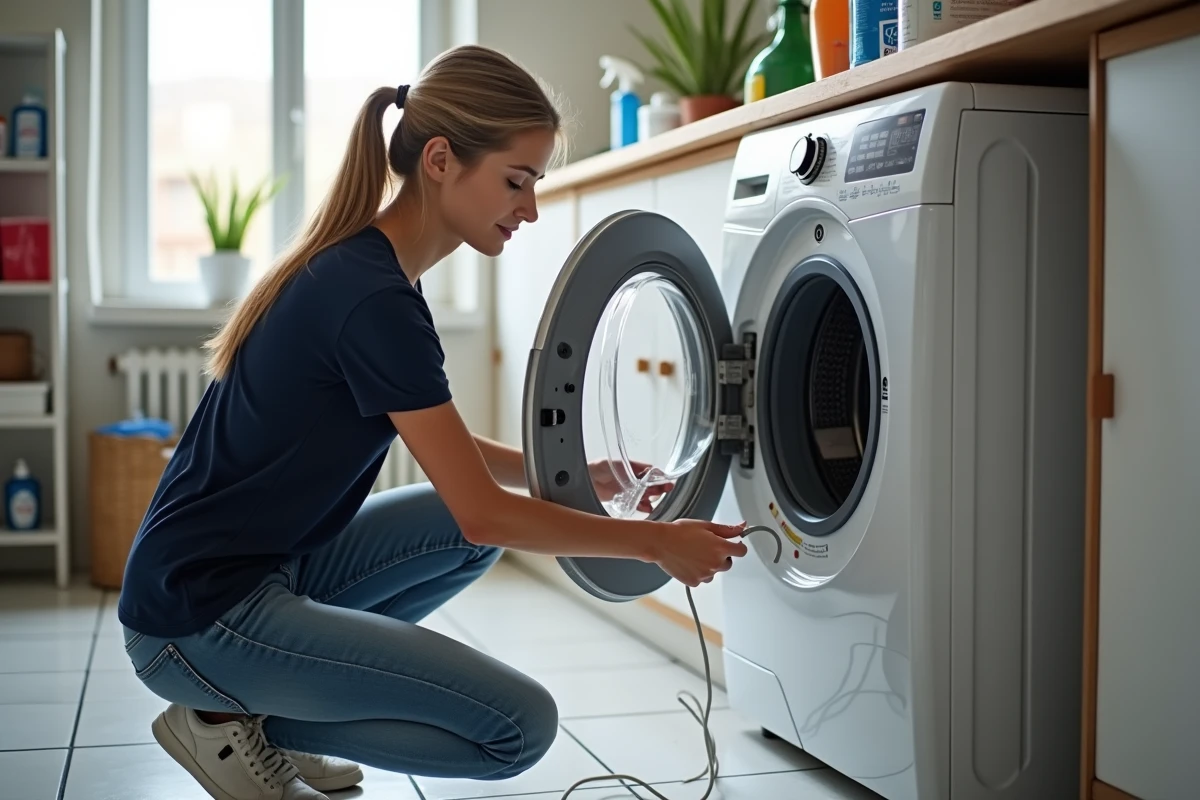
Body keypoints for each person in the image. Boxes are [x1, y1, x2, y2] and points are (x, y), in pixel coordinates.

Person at [117, 44, 748, 800]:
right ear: (442, 159)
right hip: (198, 618)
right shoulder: (372, 298)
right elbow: (484, 513)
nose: (531, 207)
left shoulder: (372, 273)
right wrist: (655, 543)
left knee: (457, 534)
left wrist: (575, 474)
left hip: (255, 572)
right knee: (518, 726)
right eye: (516, 181)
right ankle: (235, 716)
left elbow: (448, 460)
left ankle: (278, 696)